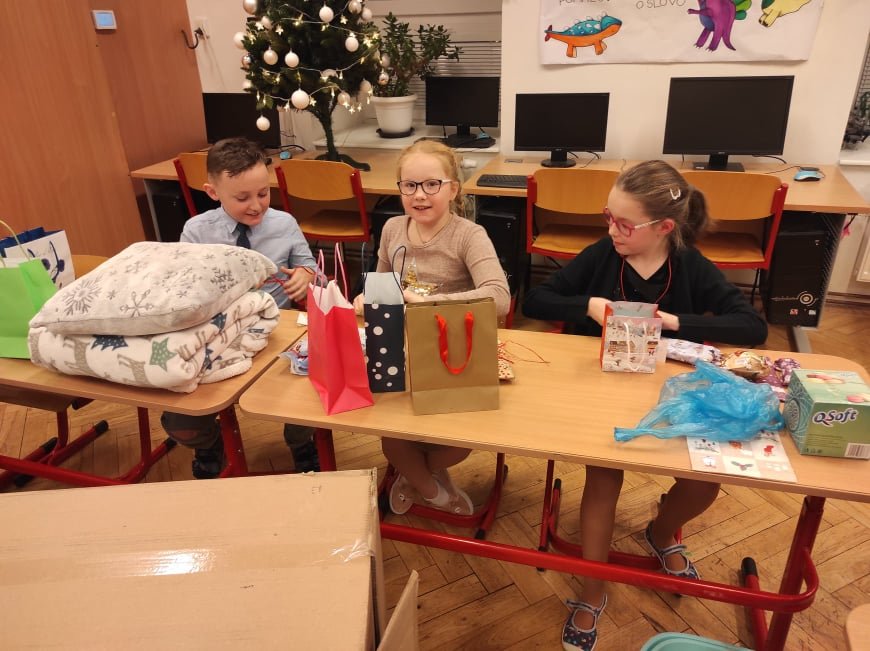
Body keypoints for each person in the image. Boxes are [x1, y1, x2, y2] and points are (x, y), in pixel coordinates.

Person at [522, 160, 768, 651]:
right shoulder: (602, 256)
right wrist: (586, 305)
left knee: (704, 481)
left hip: (670, 396)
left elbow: (752, 327)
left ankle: (662, 530)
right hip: (603, 392)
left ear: (665, 227)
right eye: (607, 217)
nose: (611, 230)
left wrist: (676, 322)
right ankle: (592, 590)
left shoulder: (689, 265)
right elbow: (535, 301)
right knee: (602, 476)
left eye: (624, 223)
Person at [354, 139, 510, 515]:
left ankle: (417, 474)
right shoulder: (393, 228)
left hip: (452, 354)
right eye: (409, 185)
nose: (419, 195)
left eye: (431, 184)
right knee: (392, 435)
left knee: (459, 443)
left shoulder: (468, 235)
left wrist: (429, 305)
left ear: (453, 189)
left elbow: (499, 298)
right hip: (401, 352)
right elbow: (383, 284)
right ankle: (433, 489)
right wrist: (367, 297)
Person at [161, 137, 320, 478]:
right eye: (242, 198)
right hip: (216, 336)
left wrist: (306, 276)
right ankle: (210, 444)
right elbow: (182, 288)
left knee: (309, 395)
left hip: (275, 334)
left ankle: (301, 442)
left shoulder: (284, 224)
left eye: (263, 193)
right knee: (179, 421)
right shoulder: (197, 231)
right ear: (213, 192)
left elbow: (312, 270)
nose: (256, 206)